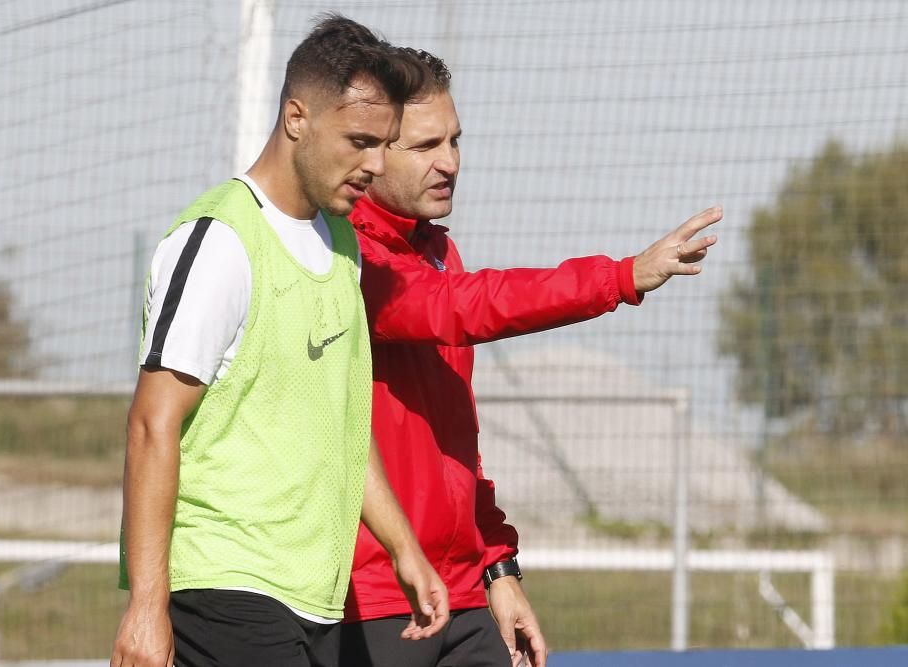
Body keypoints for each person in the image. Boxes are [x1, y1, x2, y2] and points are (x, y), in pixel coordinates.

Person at [340, 49, 721, 667]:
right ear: (373, 151)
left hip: (462, 596)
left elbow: (454, 444)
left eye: (456, 141)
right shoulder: (346, 259)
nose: (450, 163)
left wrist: (497, 566)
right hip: (379, 601)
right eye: (426, 145)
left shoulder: (438, 250)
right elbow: (467, 306)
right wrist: (620, 277)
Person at [110, 17, 450, 667]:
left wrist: (404, 546)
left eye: (383, 145)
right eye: (358, 141)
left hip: (310, 593)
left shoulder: (341, 243)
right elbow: (153, 424)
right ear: (297, 117)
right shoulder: (219, 241)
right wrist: (147, 606)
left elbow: (341, 427)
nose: (375, 165)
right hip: (225, 583)